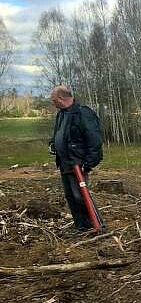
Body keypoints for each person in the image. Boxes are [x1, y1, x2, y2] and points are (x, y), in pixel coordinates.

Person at [48, 85, 104, 234]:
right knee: (71, 196)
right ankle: (81, 226)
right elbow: (58, 134)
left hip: (78, 163)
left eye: (53, 100)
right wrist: (53, 144)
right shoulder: (61, 115)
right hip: (64, 163)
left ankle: (97, 225)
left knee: (80, 195)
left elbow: (95, 139)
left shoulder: (83, 113)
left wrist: (89, 162)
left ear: (61, 98)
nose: (52, 103)